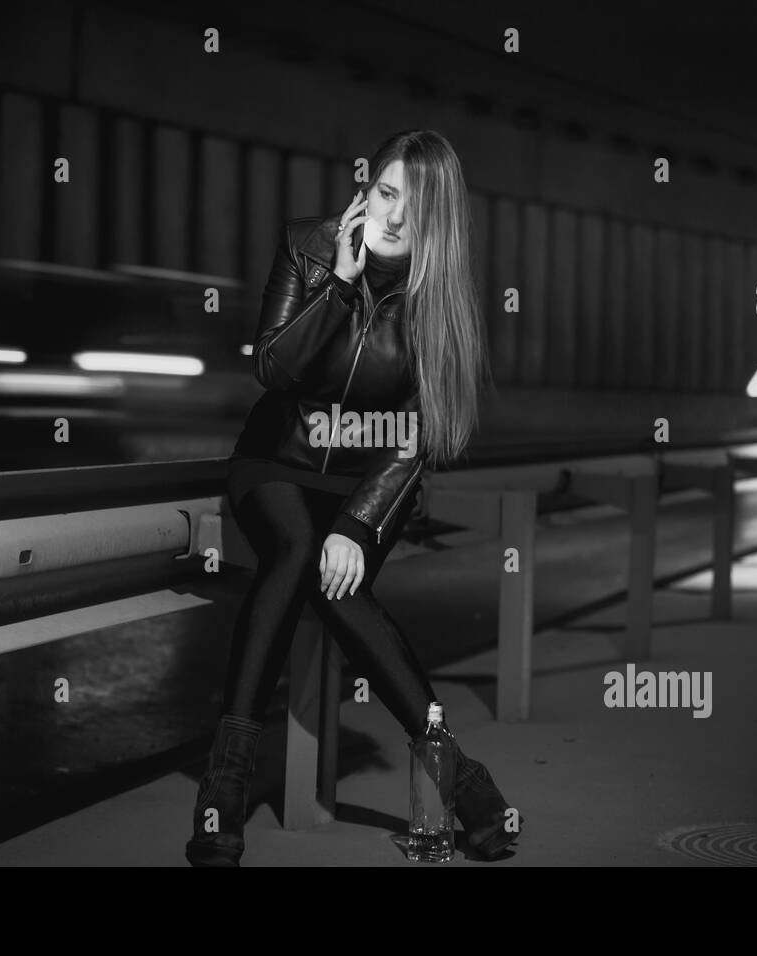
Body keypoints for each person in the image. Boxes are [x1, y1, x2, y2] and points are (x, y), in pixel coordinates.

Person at [185, 129, 522, 866]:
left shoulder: (439, 300)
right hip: (275, 461)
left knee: (339, 585)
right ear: (365, 189)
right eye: (386, 193)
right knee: (298, 551)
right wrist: (338, 286)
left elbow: (417, 437)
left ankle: (457, 780)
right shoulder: (307, 246)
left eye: (415, 205)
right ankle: (227, 789)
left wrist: (359, 522)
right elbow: (272, 369)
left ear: (439, 222)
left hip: (365, 483)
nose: (395, 216)